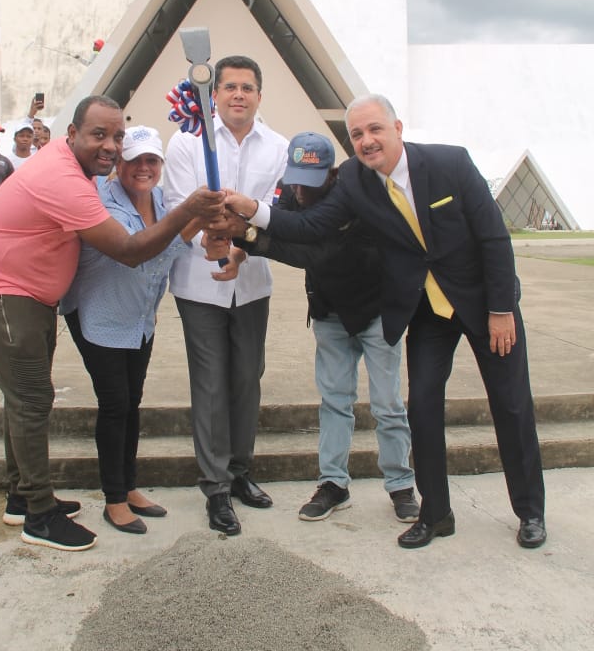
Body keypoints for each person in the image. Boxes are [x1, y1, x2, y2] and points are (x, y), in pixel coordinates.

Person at [223, 94, 546, 551]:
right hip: (426, 312)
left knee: (512, 406)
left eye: (375, 129)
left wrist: (500, 310)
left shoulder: (450, 163)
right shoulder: (354, 179)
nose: (367, 141)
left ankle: (530, 511)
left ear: (397, 126)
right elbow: (312, 227)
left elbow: (493, 237)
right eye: (357, 134)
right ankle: (436, 514)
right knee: (423, 409)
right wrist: (252, 212)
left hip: (483, 305)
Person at [0, 95, 225, 553]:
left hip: (35, 297)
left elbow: (163, 247)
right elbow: (129, 251)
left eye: (116, 136)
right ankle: (39, 517)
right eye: (99, 135)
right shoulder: (69, 180)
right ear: (72, 135)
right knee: (33, 399)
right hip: (4, 293)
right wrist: (190, 212)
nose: (109, 146)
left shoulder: (82, 175)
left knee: (26, 397)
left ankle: (22, 498)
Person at [229, 132, 418, 524]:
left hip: (375, 310)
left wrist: (247, 233)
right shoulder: (289, 191)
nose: (301, 191)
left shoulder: (349, 195)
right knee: (334, 401)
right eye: (296, 179)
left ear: (330, 175)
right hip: (329, 311)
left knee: (387, 405)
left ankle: (400, 484)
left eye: (310, 182)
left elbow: (309, 247)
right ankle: (334, 483)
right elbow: (281, 229)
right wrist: (241, 236)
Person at [163, 56, 288, 536]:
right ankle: (215, 487)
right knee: (211, 383)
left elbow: (275, 210)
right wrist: (206, 242)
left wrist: (241, 247)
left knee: (246, 380)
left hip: (252, 281)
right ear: (212, 94)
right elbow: (177, 204)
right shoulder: (188, 141)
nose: (239, 94)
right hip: (199, 285)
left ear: (260, 95)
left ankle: (240, 471)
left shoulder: (277, 147)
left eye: (248, 87)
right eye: (230, 86)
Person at [62, 126, 186, 535]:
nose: (143, 168)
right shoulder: (101, 200)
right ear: (119, 163)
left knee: (132, 401)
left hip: (139, 319)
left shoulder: (166, 201)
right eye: (134, 160)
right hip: (99, 316)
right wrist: (191, 218)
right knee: (115, 403)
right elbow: (136, 249)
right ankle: (113, 498)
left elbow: (182, 243)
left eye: (152, 160)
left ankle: (129, 486)